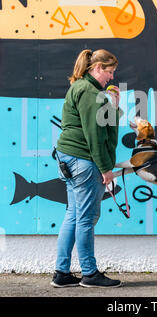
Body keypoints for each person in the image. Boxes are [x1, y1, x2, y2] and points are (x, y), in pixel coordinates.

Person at [50, 49, 122, 288]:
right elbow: (95, 135)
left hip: (70, 158)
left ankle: (62, 273)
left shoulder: (85, 89)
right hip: (83, 160)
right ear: (98, 67)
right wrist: (105, 168)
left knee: (74, 214)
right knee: (86, 218)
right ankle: (90, 273)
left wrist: (114, 104)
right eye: (109, 72)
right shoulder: (90, 92)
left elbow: (102, 124)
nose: (111, 78)